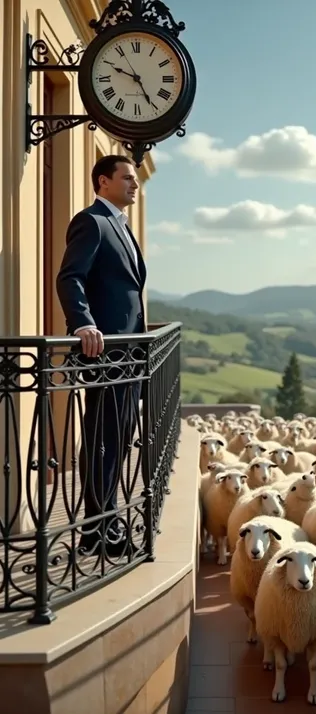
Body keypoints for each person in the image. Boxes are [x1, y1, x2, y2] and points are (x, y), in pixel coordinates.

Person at [56, 154, 147, 556]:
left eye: (135, 178)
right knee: (102, 440)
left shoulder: (121, 226)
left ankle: (104, 524)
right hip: (104, 351)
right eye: (127, 177)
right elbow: (70, 277)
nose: (134, 184)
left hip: (127, 354)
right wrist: (83, 324)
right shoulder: (92, 222)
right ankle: (98, 527)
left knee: (119, 437)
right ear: (102, 182)